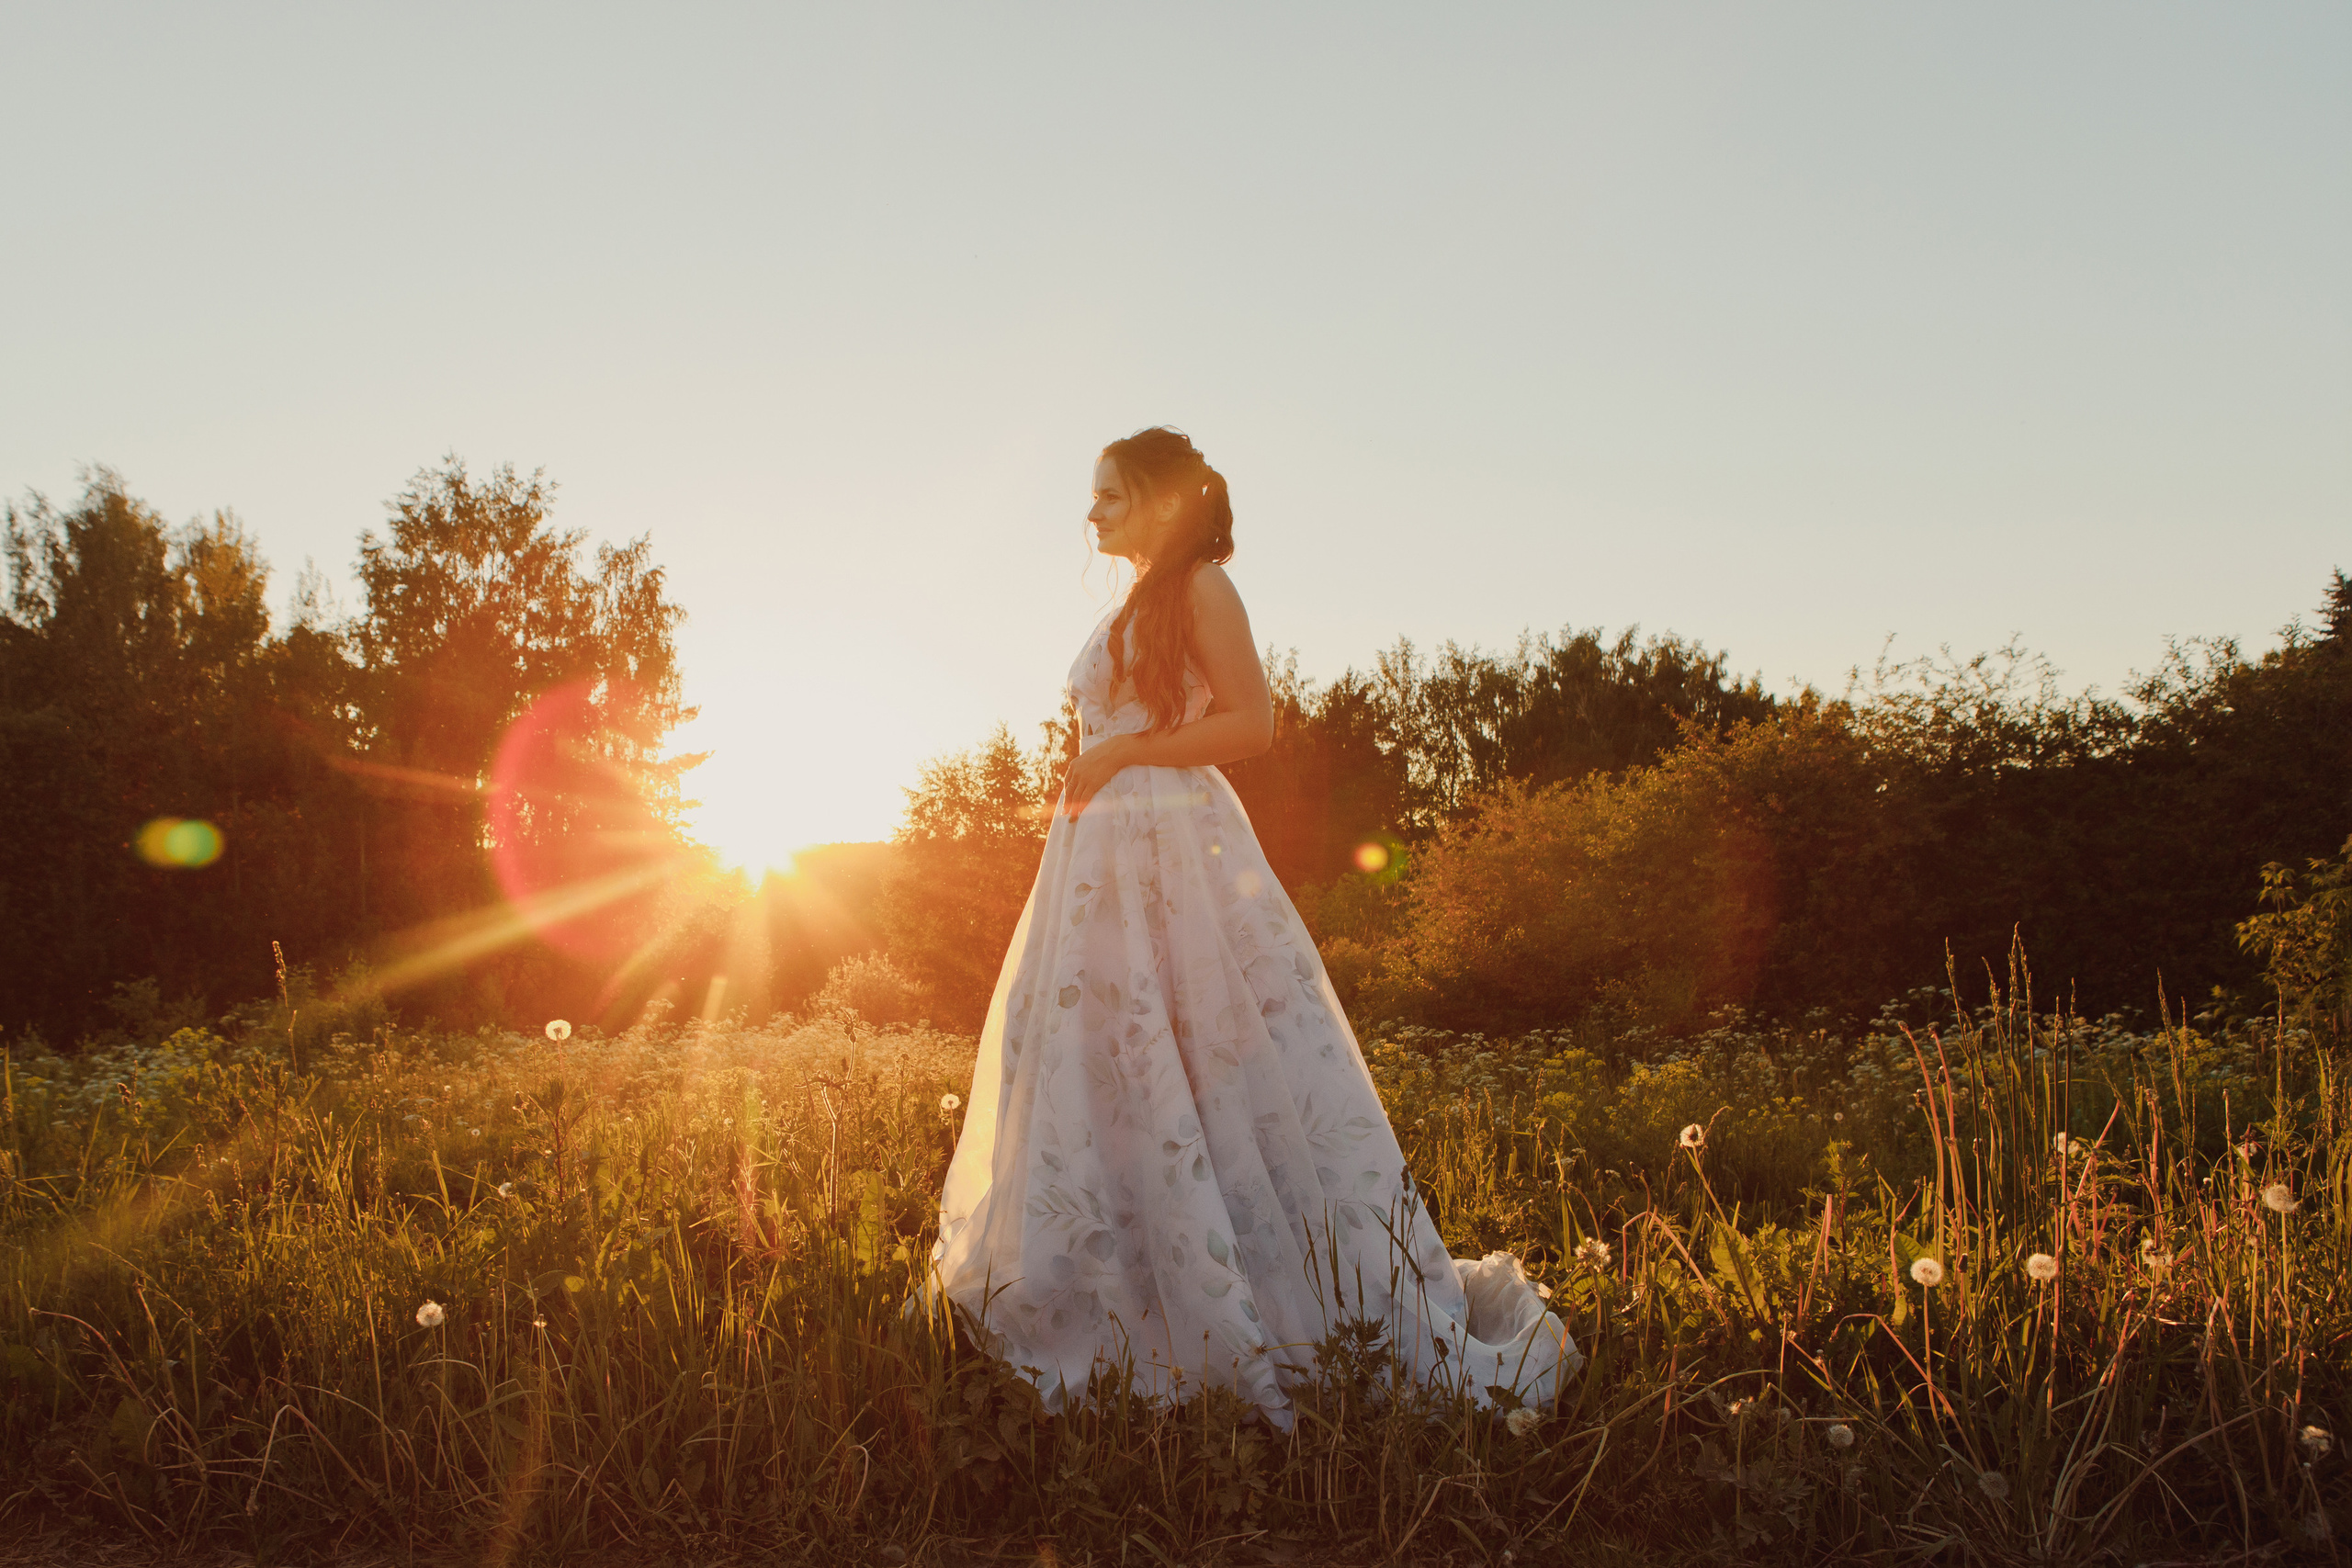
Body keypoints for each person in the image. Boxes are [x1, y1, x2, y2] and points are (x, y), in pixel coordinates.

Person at [929, 426, 1577, 1427]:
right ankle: (1118, 1269)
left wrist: (1120, 756)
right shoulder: (1140, 597)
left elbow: (1252, 723)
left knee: (1202, 1046)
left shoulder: (1200, 587)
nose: (1090, 513)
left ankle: (1242, 1285)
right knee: (1098, 1054)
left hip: (1172, 844)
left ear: (1157, 501)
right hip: (1104, 854)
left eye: (1107, 495)